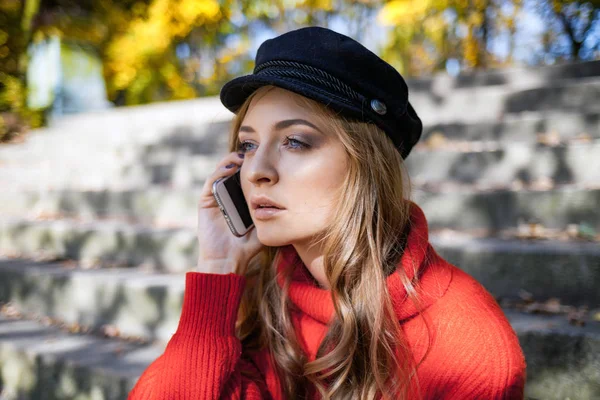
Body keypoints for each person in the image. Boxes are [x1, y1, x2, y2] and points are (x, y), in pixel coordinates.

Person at [128, 26, 526, 400]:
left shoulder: (470, 347)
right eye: (247, 146)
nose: (255, 171)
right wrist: (216, 268)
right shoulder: (266, 292)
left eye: (296, 141)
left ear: (366, 166)